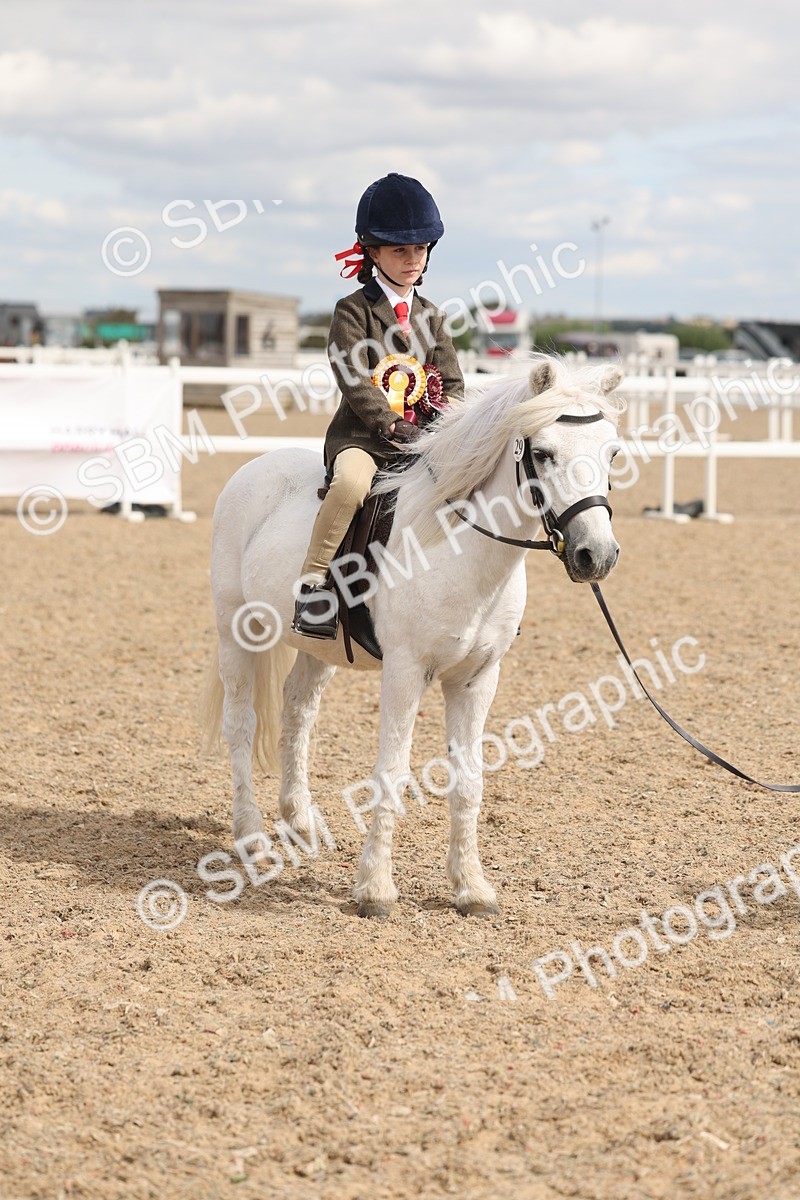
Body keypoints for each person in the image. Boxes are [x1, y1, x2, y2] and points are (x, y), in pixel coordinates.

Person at [292, 172, 464, 639]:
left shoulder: (433, 316)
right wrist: (390, 425)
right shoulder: (352, 311)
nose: (412, 260)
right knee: (349, 486)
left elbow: (451, 383)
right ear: (372, 252)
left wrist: (451, 427)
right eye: (399, 251)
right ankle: (313, 585)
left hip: (423, 442)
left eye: (420, 250)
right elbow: (353, 378)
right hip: (365, 440)